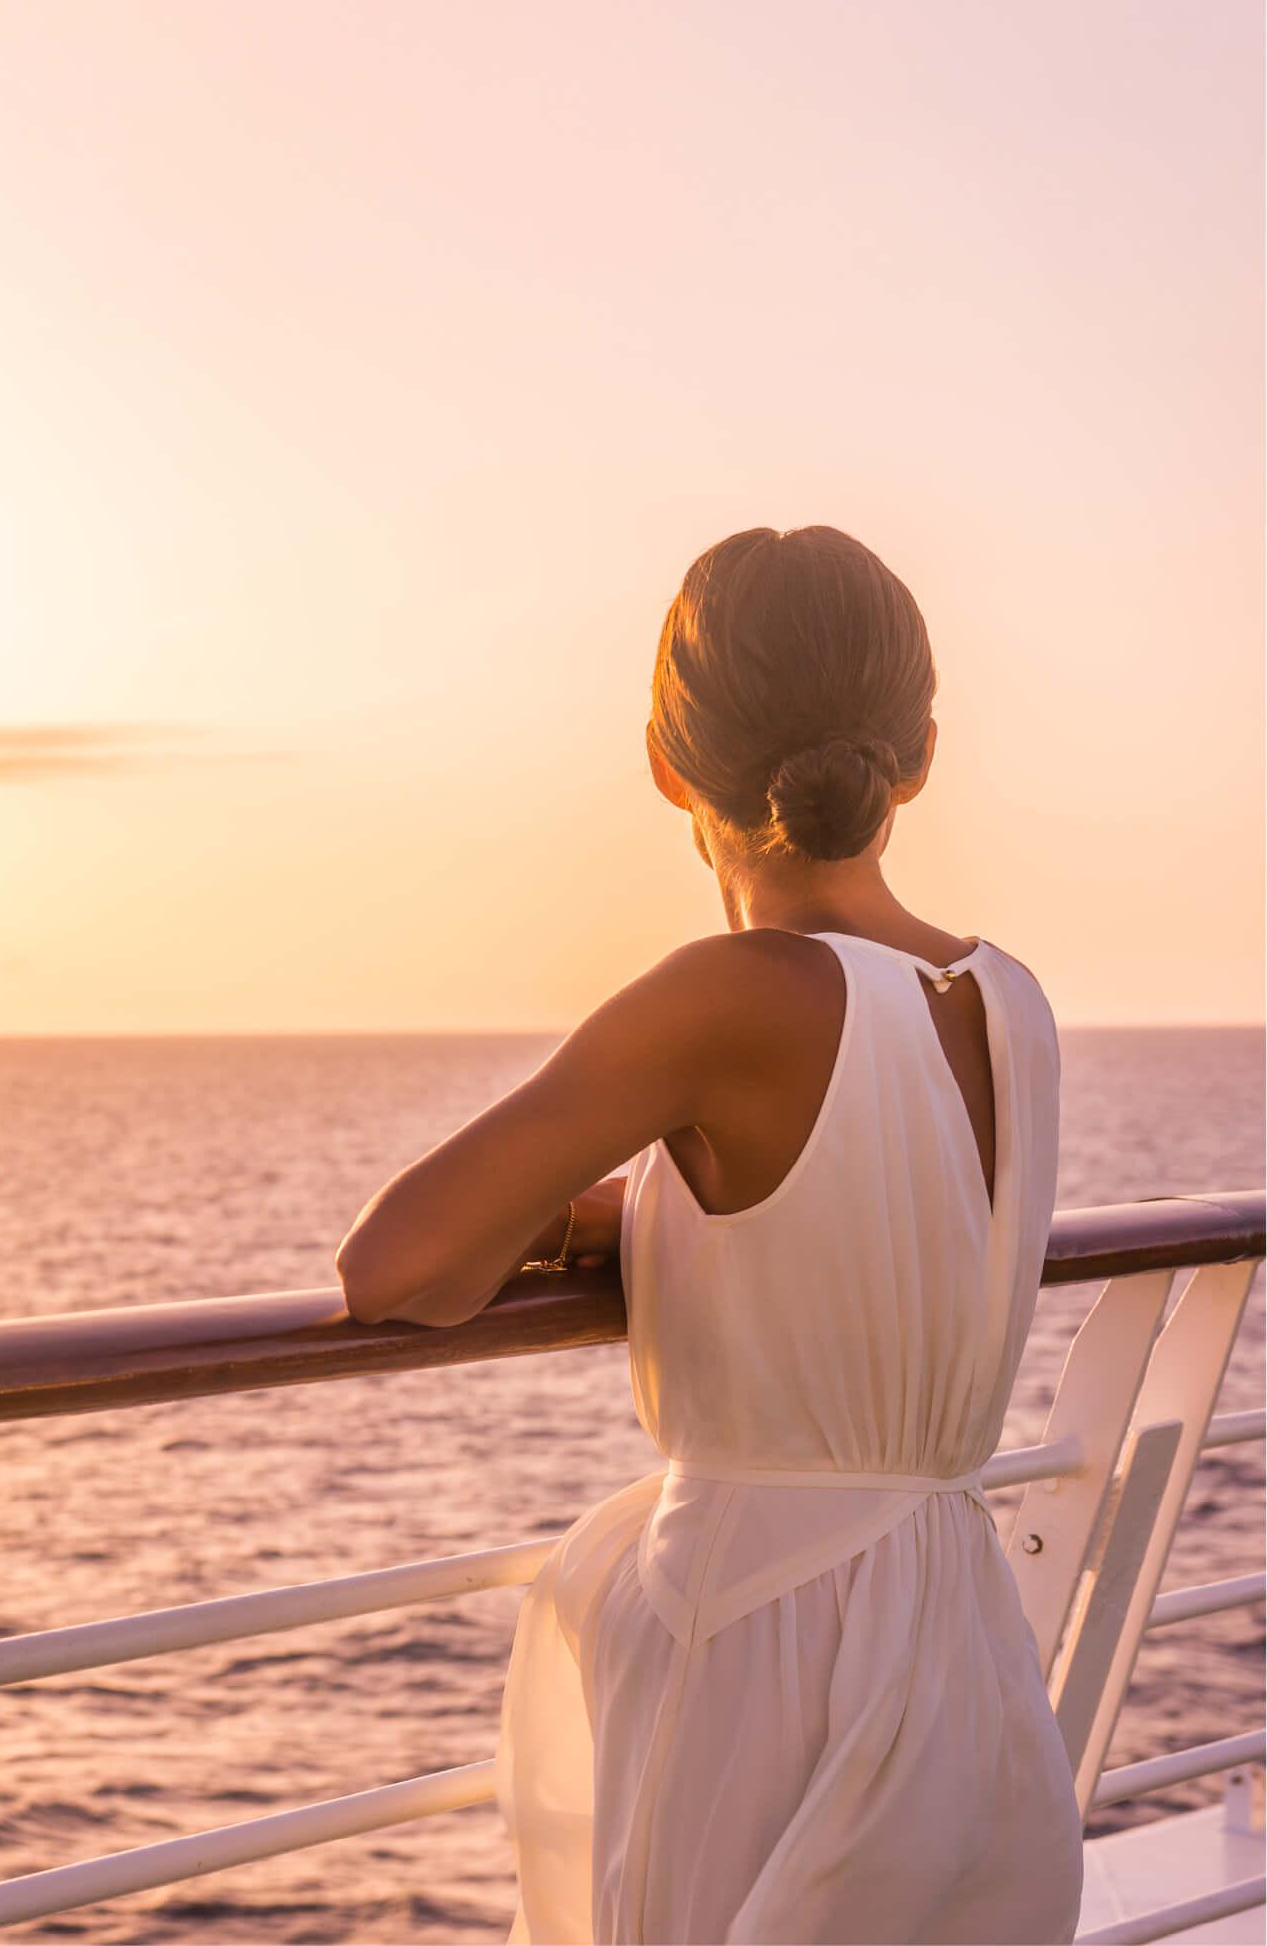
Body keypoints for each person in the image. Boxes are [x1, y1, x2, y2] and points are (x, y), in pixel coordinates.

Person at [334, 525, 1080, 1943]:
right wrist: (662, 1223)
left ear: (669, 763)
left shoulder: (728, 997)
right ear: (918, 750)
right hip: (957, 1639)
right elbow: (869, 1225)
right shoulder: (1012, 1001)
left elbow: (399, 1265)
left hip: (768, 1646)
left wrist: (553, 1219)